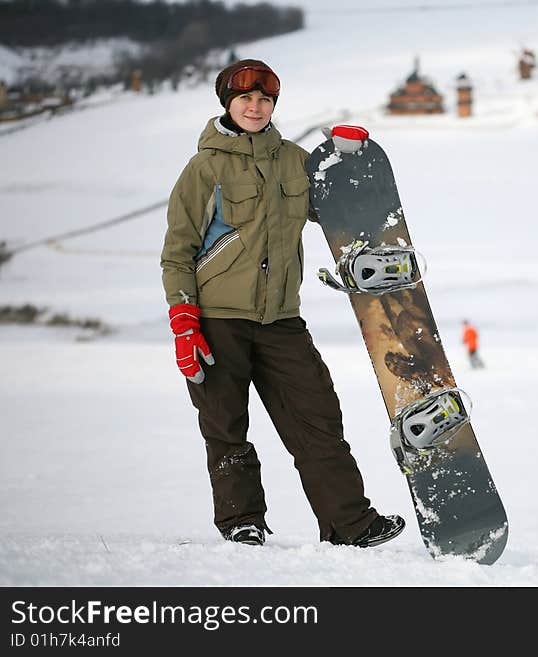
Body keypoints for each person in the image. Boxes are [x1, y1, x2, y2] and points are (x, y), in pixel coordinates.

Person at [160, 59, 404, 548]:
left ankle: (351, 524)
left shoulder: (295, 160)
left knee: (316, 418)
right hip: (217, 320)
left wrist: (349, 161)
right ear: (227, 103)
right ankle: (242, 520)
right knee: (226, 425)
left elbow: (334, 209)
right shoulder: (204, 168)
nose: (255, 106)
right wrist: (184, 319)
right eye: (246, 98)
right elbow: (178, 250)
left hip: (281, 321)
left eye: (265, 99)